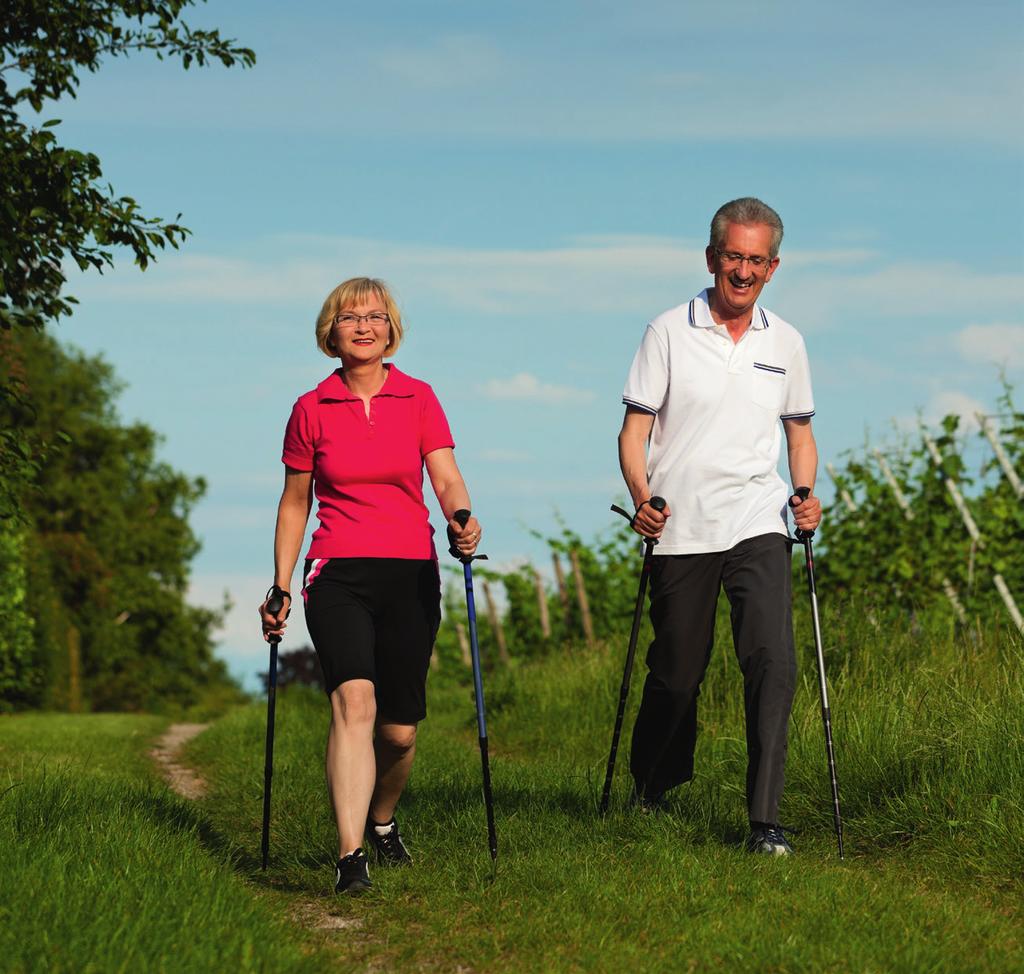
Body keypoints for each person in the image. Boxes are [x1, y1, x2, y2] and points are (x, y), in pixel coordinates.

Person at [259, 277, 481, 893]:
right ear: (330, 333)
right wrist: (280, 585)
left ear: (391, 330)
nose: (364, 325)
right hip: (338, 571)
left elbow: (446, 477)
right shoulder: (310, 408)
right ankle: (349, 857)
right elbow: (294, 505)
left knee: (400, 730)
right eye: (349, 317)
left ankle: (382, 822)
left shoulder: (419, 397)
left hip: (410, 569)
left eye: (376, 316)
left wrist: (461, 517)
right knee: (354, 703)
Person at [617, 197, 821, 855]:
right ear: (712, 258)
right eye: (733, 256)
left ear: (774, 266)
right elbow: (634, 432)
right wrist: (642, 495)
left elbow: (800, 433)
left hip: (758, 521)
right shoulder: (668, 331)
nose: (743, 270)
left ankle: (765, 820)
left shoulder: (786, 341)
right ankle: (654, 782)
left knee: (772, 660)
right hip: (680, 526)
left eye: (756, 260)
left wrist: (807, 493)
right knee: (677, 671)